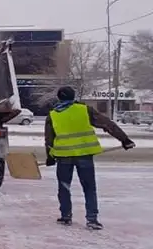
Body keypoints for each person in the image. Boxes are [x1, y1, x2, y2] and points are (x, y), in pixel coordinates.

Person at [45, 86, 136, 230]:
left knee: (64, 187)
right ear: (73, 96)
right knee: (89, 188)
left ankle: (65, 216)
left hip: (64, 156)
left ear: (59, 98)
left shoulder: (53, 115)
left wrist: (49, 156)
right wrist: (124, 139)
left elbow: (49, 139)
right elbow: (107, 124)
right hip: (84, 155)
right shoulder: (84, 110)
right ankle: (92, 219)